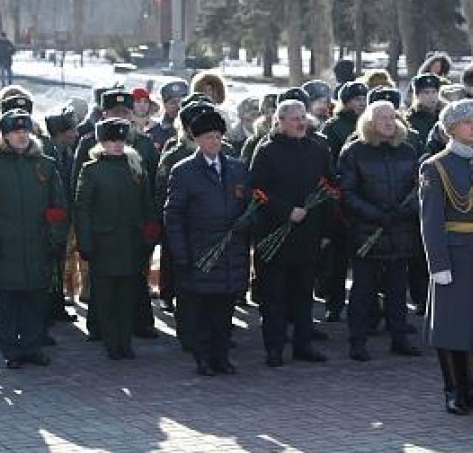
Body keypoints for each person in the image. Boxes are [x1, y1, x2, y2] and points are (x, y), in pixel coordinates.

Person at [419, 99, 473, 415]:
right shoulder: (436, 166)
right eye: (466, 122)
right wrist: (438, 264)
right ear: (451, 128)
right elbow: (430, 220)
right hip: (453, 256)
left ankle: (471, 389)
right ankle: (452, 390)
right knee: (451, 325)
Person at [0, 110, 68, 369]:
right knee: (9, 302)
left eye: (25, 131)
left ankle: (32, 346)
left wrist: (56, 239)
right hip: (5, 245)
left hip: (38, 243)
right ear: (4, 136)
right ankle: (10, 350)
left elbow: (58, 206)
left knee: (35, 298)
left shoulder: (45, 164)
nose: (22, 136)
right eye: (16, 132)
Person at [165, 109, 250, 375]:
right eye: (208, 137)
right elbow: (174, 215)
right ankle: (204, 357)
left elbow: (249, 205)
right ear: (197, 140)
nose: (214, 142)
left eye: (218, 136)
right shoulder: (184, 171)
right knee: (201, 309)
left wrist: (245, 223)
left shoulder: (236, 168)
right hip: (200, 248)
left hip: (230, 250)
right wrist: (181, 253)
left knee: (225, 309)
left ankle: (222, 356)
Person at [250, 99, 333, 367]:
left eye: (303, 118)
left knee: (303, 295)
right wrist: (285, 210)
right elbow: (256, 192)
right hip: (275, 235)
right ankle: (274, 348)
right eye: (294, 119)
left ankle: (303, 344)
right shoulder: (266, 151)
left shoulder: (318, 149)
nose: (300, 123)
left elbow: (329, 189)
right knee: (275, 297)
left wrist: (325, 231)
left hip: (308, 235)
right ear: (280, 122)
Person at [339, 101, 421, 361]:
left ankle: (399, 338)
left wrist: (402, 211)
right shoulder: (354, 152)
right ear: (369, 122)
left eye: (391, 117)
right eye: (381, 118)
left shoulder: (407, 151)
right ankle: (357, 341)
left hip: (400, 232)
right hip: (368, 232)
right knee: (363, 290)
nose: (388, 122)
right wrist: (376, 215)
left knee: (398, 290)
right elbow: (347, 193)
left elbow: (419, 187)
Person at [76, 118, 159, 360]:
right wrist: (86, 243)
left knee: (127, 295)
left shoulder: (135, 168)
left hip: (131, 242)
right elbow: (83, 209)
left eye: (121, 140)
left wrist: (149, 235)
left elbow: (147, 203)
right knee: (105, 297)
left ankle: (125, 342)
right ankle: (112, 343)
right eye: (111, 140)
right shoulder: (91, 170)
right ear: (101, 143)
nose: (117, 145)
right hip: (104, 243)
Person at [319, 81, 368, 321]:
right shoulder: (334, 127)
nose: (361, 102)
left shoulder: (369, 124)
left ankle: (368, 306)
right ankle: (334, 303)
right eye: (355, 98)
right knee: (337, 259)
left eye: (363, 98)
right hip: (340, 198)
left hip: (366, 197)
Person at [43, 109, 79, 323]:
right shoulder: (47, 153)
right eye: (71, 131)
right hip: (51, 220)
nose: (75, 134)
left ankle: (56, 305)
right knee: (49, 265)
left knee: (58, 263)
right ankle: (49, 307)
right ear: (59, 133)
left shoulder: (66, 152)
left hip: (63, 219)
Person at [148, 80, 189, 153]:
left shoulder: (195, 129)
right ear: (164, 105)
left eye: (182, 102)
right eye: (173, 103)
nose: (178, 106)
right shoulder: (154, 133)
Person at [405, 73, 444, 140]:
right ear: (417, 96)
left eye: (434, 92)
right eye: (426, 92)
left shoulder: (445, 114)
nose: (431, 96)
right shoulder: (411, 118)